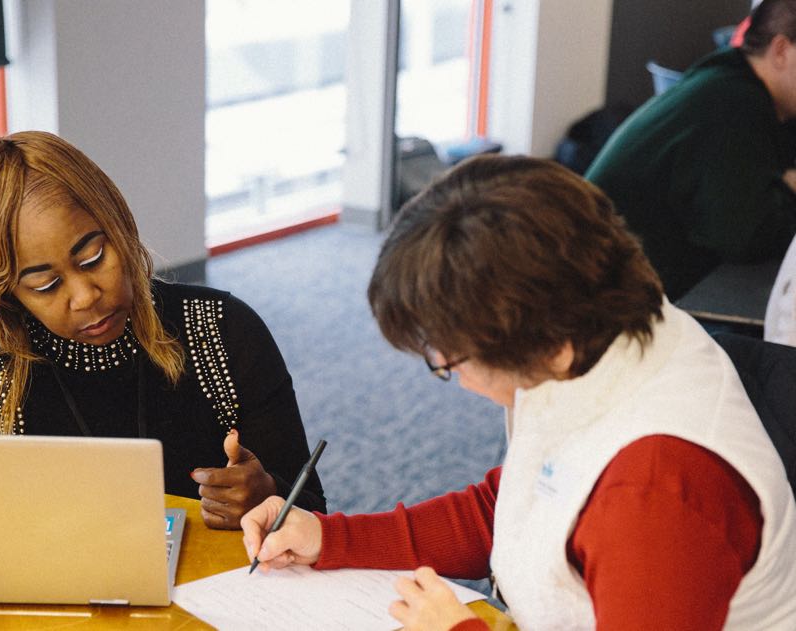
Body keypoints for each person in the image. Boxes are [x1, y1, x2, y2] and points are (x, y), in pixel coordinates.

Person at [241, 155, 796, 630]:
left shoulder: (656, 493)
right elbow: (512, 507)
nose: (456, 378)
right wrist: (331, 539)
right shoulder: (598, 337)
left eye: (452, 359)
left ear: (547, 344)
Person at [0, 130, 325, 529]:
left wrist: (269, 496)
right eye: (44, 285)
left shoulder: (220, 331)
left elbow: (313, 508)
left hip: (219, 587)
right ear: (5, 293)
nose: (85, 296)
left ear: (118, 223)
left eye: (94, 257)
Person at [585, 0, 796, 301]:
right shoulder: (733, 104)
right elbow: (744, 236)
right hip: (614, 296)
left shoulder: (732, 80)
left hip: (636, 278)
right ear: (780, 50)